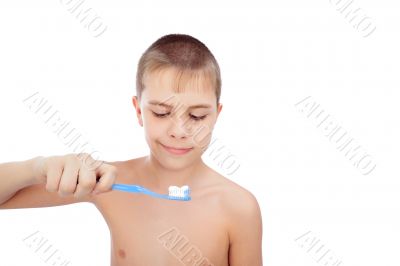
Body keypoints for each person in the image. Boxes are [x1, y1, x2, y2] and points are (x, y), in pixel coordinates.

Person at [0, 33, 263, 266]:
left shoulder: (238, 207)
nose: (179, 131)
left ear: (216, 115)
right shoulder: (106, 182)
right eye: (161, 113)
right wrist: (36, 168)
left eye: (196, 116)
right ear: (139, 111)